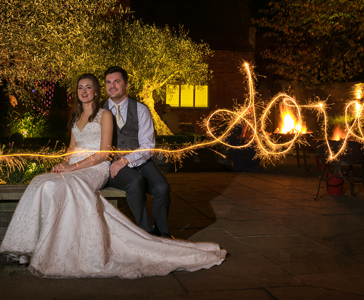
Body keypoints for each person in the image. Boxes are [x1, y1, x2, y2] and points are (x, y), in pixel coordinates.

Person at [0, 73, 226, 279]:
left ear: (122, 85)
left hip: (124, 160)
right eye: (82, 87)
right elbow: (71, 148)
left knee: (160, 187)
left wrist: (116, 161)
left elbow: (137, 147)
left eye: (91, 87)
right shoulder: (81, 114)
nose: (86, 91)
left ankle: (158, 234)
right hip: (96, 164)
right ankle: (39, 245)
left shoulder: (127, 111)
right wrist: (64, 163)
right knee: (43, 182)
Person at [102, 66, 172, 238]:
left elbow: (147, 145)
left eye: (116, 81)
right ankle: (147, 233)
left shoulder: (141, 109)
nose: (112, 86)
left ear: (127, 84)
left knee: (162, 187)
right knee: (135, 182)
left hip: (140, 161)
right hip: (111, 163)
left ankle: (162, 233)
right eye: (108, 82)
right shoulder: (98, 111)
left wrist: (126, 160)